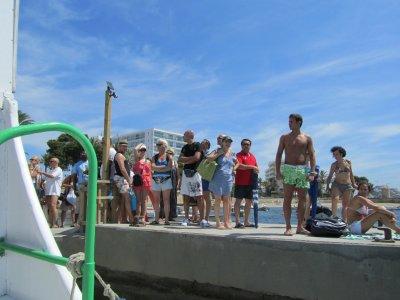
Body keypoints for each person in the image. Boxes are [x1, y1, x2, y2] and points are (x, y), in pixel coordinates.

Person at [275, 113, 317, 236]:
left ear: (298, 122)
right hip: (288, 169)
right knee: (287, 198)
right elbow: (279, 154)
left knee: (302, 199)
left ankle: (299, 226)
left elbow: (312, 155)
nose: (289, 124)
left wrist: (312, 171)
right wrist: (278, 171)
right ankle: (288, 227)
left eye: (291, 122)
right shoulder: (284, 137)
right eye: (289, 122)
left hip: (302, 170)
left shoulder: (307, 138)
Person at [208, 136, 238, 229]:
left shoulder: (232, 152)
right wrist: (218, 154)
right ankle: (217, 222)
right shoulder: (217, 150)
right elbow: (208, 159)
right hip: (217, 178)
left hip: (228, 179)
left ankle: (226, 222)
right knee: (217, 199)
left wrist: (234, 169)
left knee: (226, 200)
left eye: (229, 142)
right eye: (226, 142)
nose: (228, 143)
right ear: (222, 142)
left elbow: (238, 163)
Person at [178, 130, 203, 226]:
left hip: (196, 173)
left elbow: (197, 157)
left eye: (184, 135)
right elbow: (180, 159)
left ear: (190, 135)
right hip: (186, 173)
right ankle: (186, 218)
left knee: (199, 196)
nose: (183, 136)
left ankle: (202, 219)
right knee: (185, 196)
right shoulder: (184, 147)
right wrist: (190, 159)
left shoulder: (197, 145)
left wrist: (186, 161)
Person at [326, 146, 357, 222]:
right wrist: (327, 185)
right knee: (334, 199)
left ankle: (344, 221)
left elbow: (351, 174)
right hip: (337, 184)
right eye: (334, 154)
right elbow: (330, 176)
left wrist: (354, 183)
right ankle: (334, 217)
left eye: (336, 154)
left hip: (347, 185)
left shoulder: (348, 162)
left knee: (345, 205)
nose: (335, 156)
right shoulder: (334, 165)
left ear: (341, 154)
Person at [234, 139, 259, 228]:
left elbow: (257, 167)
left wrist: (256, 169)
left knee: (249, 202)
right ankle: (237, 222)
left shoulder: (252, 156)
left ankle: (246, 221)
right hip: (240, 182)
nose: (246, 146)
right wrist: (252, 167)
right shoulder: (238, 155)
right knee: (238, 202)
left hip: (251, 183)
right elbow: (239, 166)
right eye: (244, 144)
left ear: (250, 146)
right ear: (241, 145)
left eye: (248, 144)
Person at [151, 139, 173, 225]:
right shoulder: (154, 157)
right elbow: (152, 167)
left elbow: (169, 168)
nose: (159, 146)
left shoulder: (169, 157)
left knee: (166, 200)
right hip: (156, 180)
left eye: (161, 144)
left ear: (166, 146)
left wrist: (157, 168)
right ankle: (156, 219)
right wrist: (163, 167)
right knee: (156, 200)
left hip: (166, 180)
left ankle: (166, 220)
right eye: (158, 144)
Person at [113, 140, 134, 224]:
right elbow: (122, 169)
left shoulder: (121, 155)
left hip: (122, 178)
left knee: (124, 199)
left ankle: (124, 219)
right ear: (119, 146)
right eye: (123, 146)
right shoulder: (119, 155)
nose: (125, 148)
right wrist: (129, 180)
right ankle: (132, 219)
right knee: (127, 198)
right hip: (121, 178)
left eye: (126, 146)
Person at [38, 157, 63, 228]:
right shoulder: (50, 170)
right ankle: (51, 223)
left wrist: (42, 172)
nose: (50, 162)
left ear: (56, 162)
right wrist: (41, 183)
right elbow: (44, 178)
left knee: (53, 205)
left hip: (55, 190)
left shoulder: (59, 169)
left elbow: (52, 176)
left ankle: (55, 223)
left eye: (51, 161)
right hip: (48, 190)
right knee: (49, 207)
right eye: (50, 161)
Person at [131, 143, 152, 226]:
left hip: (146, 181)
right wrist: (141, 144)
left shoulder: (149, 161)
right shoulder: (137, 160)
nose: (142, 151)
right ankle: (137, 217)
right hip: (138, 181)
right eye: (141, 150)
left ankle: (142, 217)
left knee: (144, 200)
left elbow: (151, 173)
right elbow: (135, 149)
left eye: (144, 150)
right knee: (138, 201)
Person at [71, 152, 89, 227]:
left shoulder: (91, 162)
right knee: (79, 205)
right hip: (81, 185)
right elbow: (74, 177)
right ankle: (77, 223)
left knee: (88, 204)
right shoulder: (77, 164)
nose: (83, 155)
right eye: (82, 154)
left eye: (85, 154)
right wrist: (75, 189)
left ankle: (87, 222)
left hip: (90, 185)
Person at [200, 139, 212, 228]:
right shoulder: (198, 152)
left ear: (208, 145)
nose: (203, 145)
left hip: (206, 177)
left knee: (207, 198)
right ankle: (201, 218)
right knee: (199, 198)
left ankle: (206, 218)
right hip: (197, 177)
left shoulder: (210, 153)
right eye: (202, 143)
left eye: (205, 144)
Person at [167, 147, 179, 220]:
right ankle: (164, 215)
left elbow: (178, 175)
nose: (170, 155)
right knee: (164, 199)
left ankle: (171, 215)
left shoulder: (175, 163)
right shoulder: (164, 161)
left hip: (173, 183)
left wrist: (178, 184)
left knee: (173, 199)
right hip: (165, 182)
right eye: (168, 153)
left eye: (171, 153)